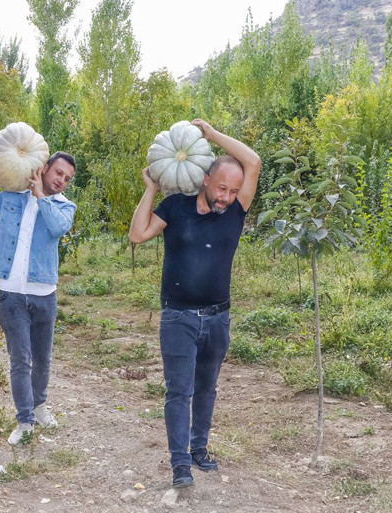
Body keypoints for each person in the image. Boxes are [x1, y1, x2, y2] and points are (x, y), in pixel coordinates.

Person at [128, 119, 261, 488]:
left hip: (218, 318)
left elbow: (253, 162)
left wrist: (213, 135)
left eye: (234, 191)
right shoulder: (176, 207)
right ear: (206, 179)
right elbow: (137, 235)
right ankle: (180, 463)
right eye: (222, 188)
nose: (227, 197)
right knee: (178, 391)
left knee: (206, 388)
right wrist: (151, 190)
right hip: (178, 318)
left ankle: (199, 449)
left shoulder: (236, 211)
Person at [0, 144, 76, 445]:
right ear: (44, 167)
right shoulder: (11, 196)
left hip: (44, 295)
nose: (61, 181)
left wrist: (41, 196)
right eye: (58, 173)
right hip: (10, 294)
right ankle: (24, 420)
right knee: (20, 359)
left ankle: (39, 406)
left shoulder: (65, 206)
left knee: (42, 359)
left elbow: (56, 228)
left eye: (67, 178)